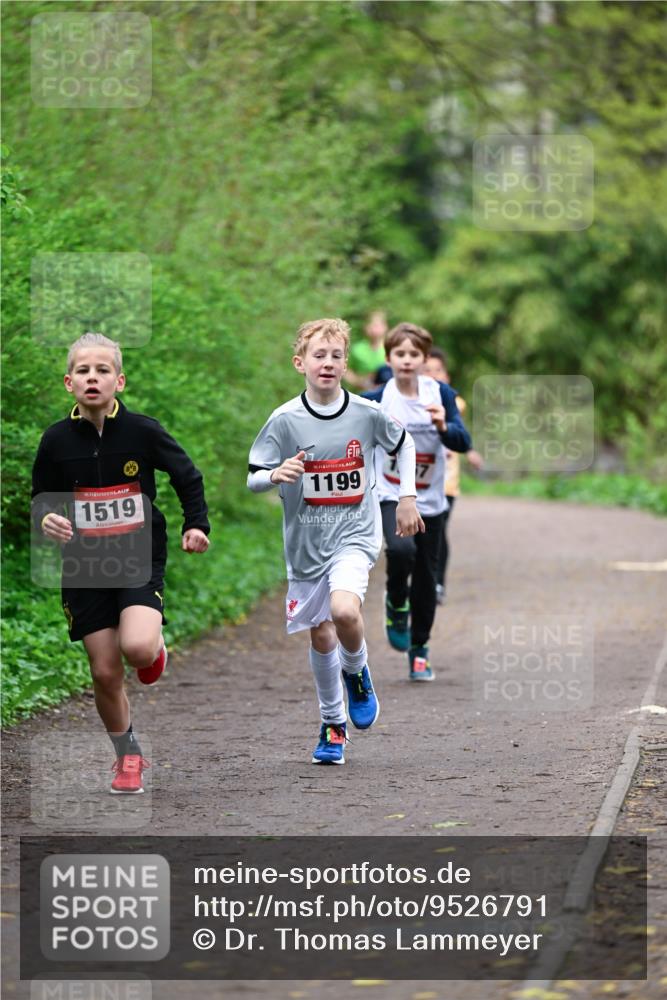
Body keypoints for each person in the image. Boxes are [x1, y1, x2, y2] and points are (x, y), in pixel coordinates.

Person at [32, 333, 210, 794]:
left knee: (137, 650)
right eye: (85, 372)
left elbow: (187, 475)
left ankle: (154, 647)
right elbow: (40, 500)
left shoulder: (143, 432)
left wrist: (197, 524)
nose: (94, 378)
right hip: (84, 565)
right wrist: (49, 518)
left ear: (120, 380)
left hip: (137, 555)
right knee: (105, 671)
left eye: (103, 370)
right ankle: (127, 756)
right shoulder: (55, 440)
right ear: (69, 382)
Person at [247, 317, 423, 765]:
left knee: (344, 610)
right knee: (321, 633)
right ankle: (333, 724)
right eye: (318, 356)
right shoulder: (284, 420)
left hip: (355, 534)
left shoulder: (365, 413)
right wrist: (274, 474)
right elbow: (253, 477)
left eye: (336, 356)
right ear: (299, 363)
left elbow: (402, 444)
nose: (327, 363)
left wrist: (405, 496)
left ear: (346, 365)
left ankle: (358, 672)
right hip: (306, 544)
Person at [364, 323, 471, 681]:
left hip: (431, 499)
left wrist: (443, 427)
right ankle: (396, 602)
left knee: (426, 576)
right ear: (389, 358)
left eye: (414, 355)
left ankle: (419, 648)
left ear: (425, 359)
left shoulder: (440, 394)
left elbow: (463, 442)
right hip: (391, 492)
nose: (407, 361)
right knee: (401, 551)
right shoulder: (379, 400)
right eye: (400, 354)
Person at [423, 347, 483, 604]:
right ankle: (421, 579)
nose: (433, 375)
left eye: (438, 371)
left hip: (447, 481)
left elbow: (459, 430)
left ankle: (437, 583)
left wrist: (469, 451)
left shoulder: (454, 402)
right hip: (419, 480)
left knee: (439, 531)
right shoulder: (411, 401)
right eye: (428, 371)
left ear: (447, 376)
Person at [345, 310, 388, 391]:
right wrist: (357, 382)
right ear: (365, 328)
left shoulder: (392, 349)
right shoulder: (357, 349)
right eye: (370, 325)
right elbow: (345, 369)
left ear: (385, 327)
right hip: (363, 395)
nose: (374, 329)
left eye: (377, 325)